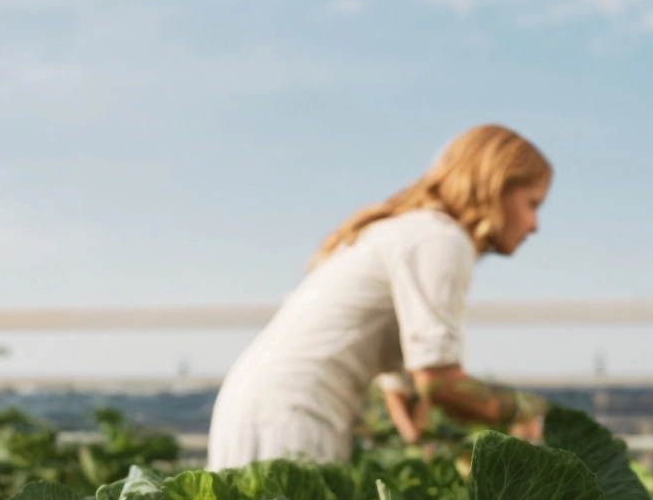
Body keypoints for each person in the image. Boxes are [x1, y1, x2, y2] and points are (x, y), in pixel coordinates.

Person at [206, 124, 552, 470]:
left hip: (259, 408)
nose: (535, 224)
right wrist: (529, 409)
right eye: (531, 203)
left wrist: (429, 436)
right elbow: (438, 385)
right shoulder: (440, 241)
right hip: (293, 422)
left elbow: (404, 397)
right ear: (496, 186)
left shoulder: (411, 232)